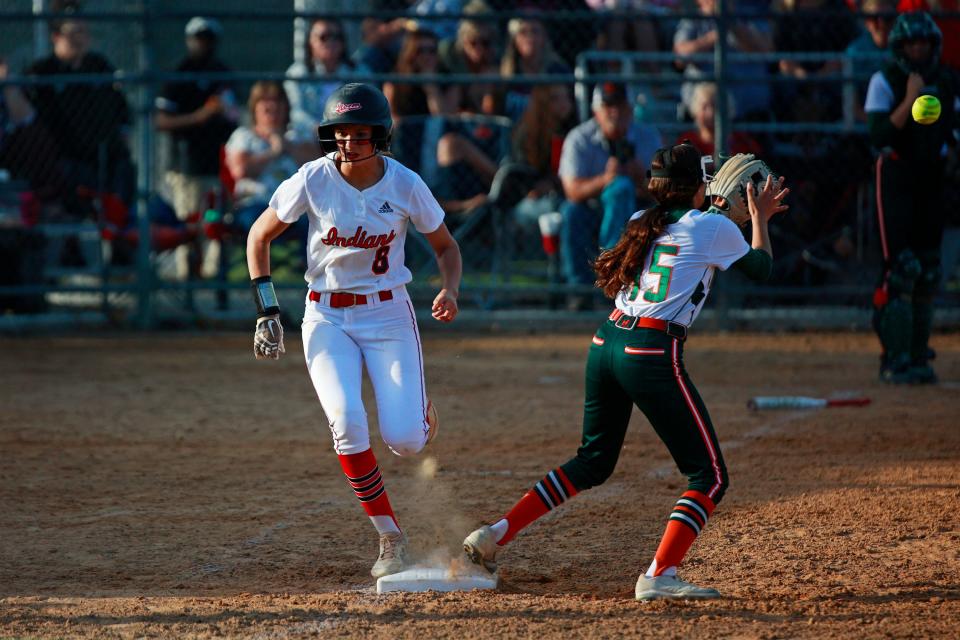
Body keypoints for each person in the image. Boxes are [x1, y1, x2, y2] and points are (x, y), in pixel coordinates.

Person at [463, 142, 789, 600]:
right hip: (649, 351)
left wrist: (716, 210)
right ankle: (659, 574)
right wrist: (759, 218)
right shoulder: (713, 226)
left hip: (605, 342)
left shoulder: (641, 220)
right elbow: (761, 268)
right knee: (710, 476)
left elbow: (694, 231)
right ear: (696, 185)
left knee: (592, 461)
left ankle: (496, 533)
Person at [245, 83, 462, 578]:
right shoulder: (313, 179)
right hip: (326, 315)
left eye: (359, 134)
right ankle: (389, 536)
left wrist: (450, 290)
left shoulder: (405, 184)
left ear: (379, 136)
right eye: (340, 133)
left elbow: (446, 247)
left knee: (406, 440)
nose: (347, 143)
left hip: (388, 314)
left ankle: (419, 411)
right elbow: (259, 236)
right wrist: (267, 310)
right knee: (346, 423)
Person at [865, 11, 957, 384]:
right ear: (900, 47)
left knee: (929, 268)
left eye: (924, 43)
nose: (918, 49)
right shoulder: (884, 80)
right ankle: (894, 357)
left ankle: (919, 354)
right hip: (897, 176)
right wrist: (910, 98)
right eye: (911, 43)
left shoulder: (947, 80)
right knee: (901, 269)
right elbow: (879, 135)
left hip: (933, 176)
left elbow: (953, 129)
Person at [558, 82, 662, 308]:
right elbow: (572, 190)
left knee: (625, 190)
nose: (615, 112)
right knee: (571, 211)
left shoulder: (647, 137)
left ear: (631, 109)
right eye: (608, 106)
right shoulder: (579, 138)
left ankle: (619, 281)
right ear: (596, 111)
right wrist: (605, 180)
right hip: (592, 208)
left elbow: (664, 191)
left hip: (637, 208)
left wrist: (640, 179)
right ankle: (580, 290)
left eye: (621, 106)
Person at [24, 2, 135, 212]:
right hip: (67, 161)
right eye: (72, 33)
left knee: (124, 174)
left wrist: (122, 136)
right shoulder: (41, 73)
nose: (80, 38)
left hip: (106, 159)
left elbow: (120, 109)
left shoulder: (99, 66)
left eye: (83, 31)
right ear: (56, 36)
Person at [156, 16, 239, 279]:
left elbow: (235, 115)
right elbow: (161, 120)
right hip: (186, 167)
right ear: (189, 41)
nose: (203, 45)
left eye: (208, 40)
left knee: (214, 222)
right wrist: (200, 116)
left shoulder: (223, 73)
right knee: (189, 223)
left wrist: (225, 113)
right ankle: (186, 279)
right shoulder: (178, 74)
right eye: (198, 39)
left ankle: (213, 279)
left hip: (218, 165)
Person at [225, 81, 318, 237]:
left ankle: (306, 263)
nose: (273, 116)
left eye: (278, 110)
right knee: (254, 222)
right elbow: (240, 171)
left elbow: (318, 167)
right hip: (255, 204)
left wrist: (287, 146)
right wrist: (273, 152)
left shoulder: (298, 135)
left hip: (295, 205)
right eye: (267, 110)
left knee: (314, 223)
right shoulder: (243, 137)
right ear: (255, 111)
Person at [673, 0, 774, 122]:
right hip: (701, 116)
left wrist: (732, 23)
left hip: (749, 114)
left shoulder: (750, 17)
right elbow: (680, 58)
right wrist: (714, 37)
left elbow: (765, 51)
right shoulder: (693, 20)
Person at [284, 18, 369, 129]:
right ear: (310, 41)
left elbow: (369, 107)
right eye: (324, 37)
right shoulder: (297, 73)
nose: (331, 42)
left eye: (336, 37)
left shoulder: (359, 72)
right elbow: (295, 112)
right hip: (309, 136)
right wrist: (318, 128)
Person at [498, 16, 570, 122]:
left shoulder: (557, 70)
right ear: (514, 39)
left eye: (535, 31)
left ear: (544, 37)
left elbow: (566, 111)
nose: (529, 37)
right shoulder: (505, 72)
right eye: (523, 32)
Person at [675, 83, 763, 157]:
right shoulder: (686, 143)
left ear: (728, 109)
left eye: (716, 106)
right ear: (695, 110)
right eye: (704, 107)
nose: (711, 113)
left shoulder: (743, 142)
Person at [844, 0, 896, 122]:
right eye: (874, 18)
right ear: (866, 22)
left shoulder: (906, 48)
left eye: (887, 18)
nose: (881, 24)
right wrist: (881, 126)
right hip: (865, 121)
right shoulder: (856, 51)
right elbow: (853, 107)